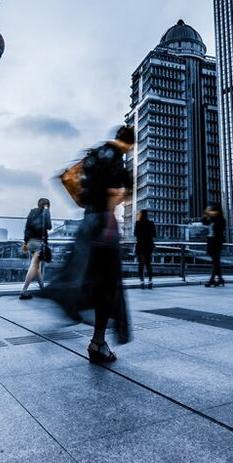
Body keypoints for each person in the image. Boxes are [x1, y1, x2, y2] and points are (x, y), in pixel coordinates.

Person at [45, 125, 134, 364]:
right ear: (129, 144)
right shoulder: (117, 160)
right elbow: (118, 192)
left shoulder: (94, 153)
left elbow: (68, 178)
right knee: (107, 285)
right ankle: (98, 342)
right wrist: (118, 200)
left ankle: (68, 306)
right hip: (104, 224)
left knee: (83, 274)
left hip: (87, 222)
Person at [19, 198, 52, 300]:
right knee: (34, 266)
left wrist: (25, 242)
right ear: (47, 205)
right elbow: (49, 226)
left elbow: (27, 227)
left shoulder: (32, 212)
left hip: (30, 242)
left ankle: (43, 289)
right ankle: (23, 291)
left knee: (36, 268)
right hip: (39, 243)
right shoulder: (46, 212)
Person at [202, 204, 226, 287]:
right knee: (216, 262)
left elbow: (219, 231)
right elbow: (204, 222)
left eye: (214, 210)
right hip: (211, 242)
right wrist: (206, 213)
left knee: (215, 262)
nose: (212, 212)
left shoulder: (221, 220)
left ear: (218, 212)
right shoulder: (213, 218)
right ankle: (220, 279)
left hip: (217, 242)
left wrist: (210, 214)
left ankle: (212, 280)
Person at [133, 209, 156, 289]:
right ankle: (150, 281)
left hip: (141, 245)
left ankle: (142, 282)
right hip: (148, 246)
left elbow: (135, 233)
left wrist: (141, 235)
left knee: (141, 264)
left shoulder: (138, 223)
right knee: (148, 264)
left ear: (140, 215)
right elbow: (154, 234)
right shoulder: (151, 223)